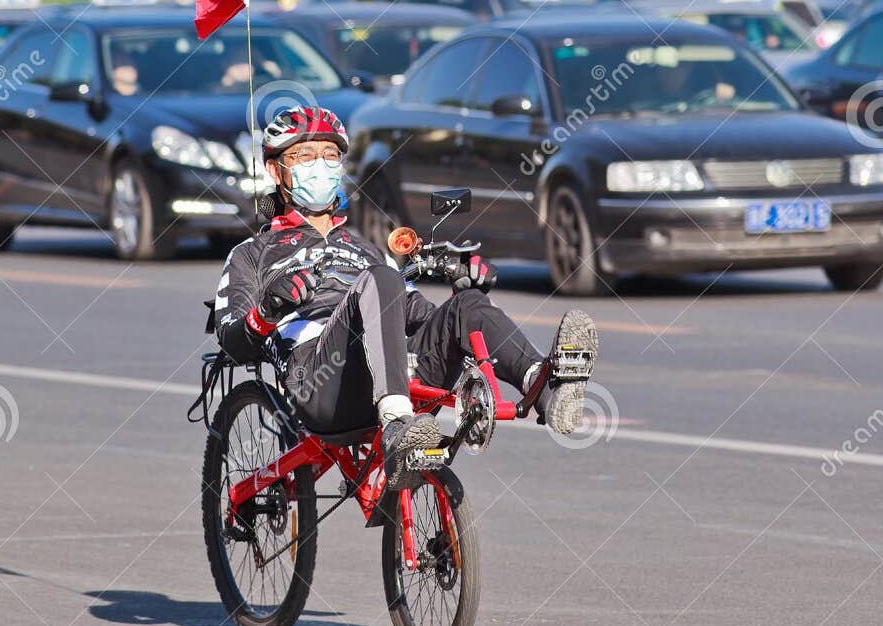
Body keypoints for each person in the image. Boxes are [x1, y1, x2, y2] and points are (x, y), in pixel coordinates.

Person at [215, 104, 599, 491]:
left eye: (330, 155)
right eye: (305, 155)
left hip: (387, 371)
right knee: (381, 279)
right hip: (320, 383)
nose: (321, 165)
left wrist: (467, 286)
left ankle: (546, 387)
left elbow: (418, 315)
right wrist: (268, 309)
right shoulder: (253, 253)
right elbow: (233, 342)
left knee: (464, 305)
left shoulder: (364, 248)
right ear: (274, 169)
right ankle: (398, 424)